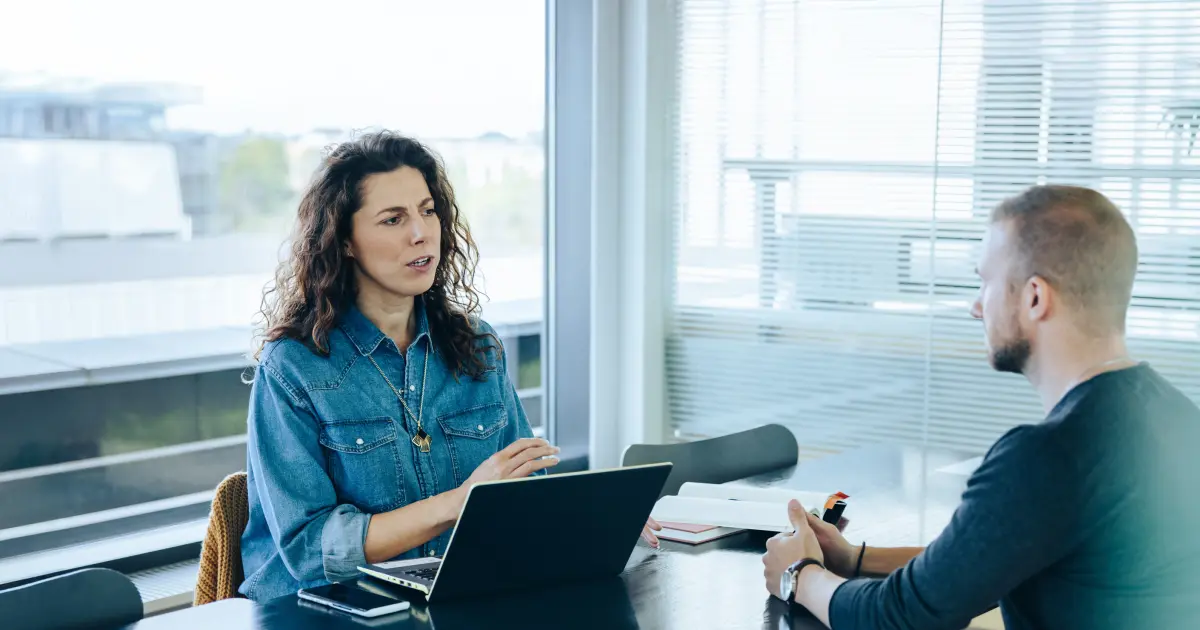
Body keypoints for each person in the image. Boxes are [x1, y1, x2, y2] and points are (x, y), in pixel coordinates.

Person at [239, 131, 659, 602]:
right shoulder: (294, 367)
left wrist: (596, 518)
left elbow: (521, 489)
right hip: (321, 609)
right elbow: (310, 551)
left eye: (428, 210)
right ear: (346, 241)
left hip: (448, 597)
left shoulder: (477, 345)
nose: (420, 232)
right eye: (393, 219)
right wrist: (462, 503)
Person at [762, 185, 1200, 629]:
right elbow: (986, 560)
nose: (976, 306)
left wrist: (799, 575)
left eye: (986, 281)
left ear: (1034, 297)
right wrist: (855, 559)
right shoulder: (1177, 418)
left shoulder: (1050, 455)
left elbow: (900, 618)